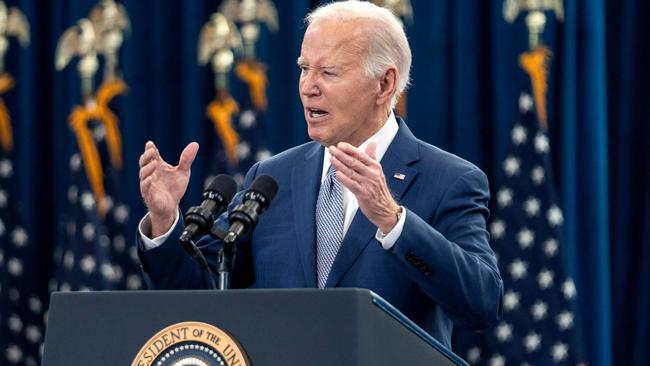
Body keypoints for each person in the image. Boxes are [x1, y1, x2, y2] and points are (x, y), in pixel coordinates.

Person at [137, 1, 502, 349]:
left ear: (385, 84)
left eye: (328, 72)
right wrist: (166, 221)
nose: (308, 86)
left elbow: (481, 302)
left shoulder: (449, 180)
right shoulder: (272, 178)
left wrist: (393, 220)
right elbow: (201, 294)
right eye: (303, 68)